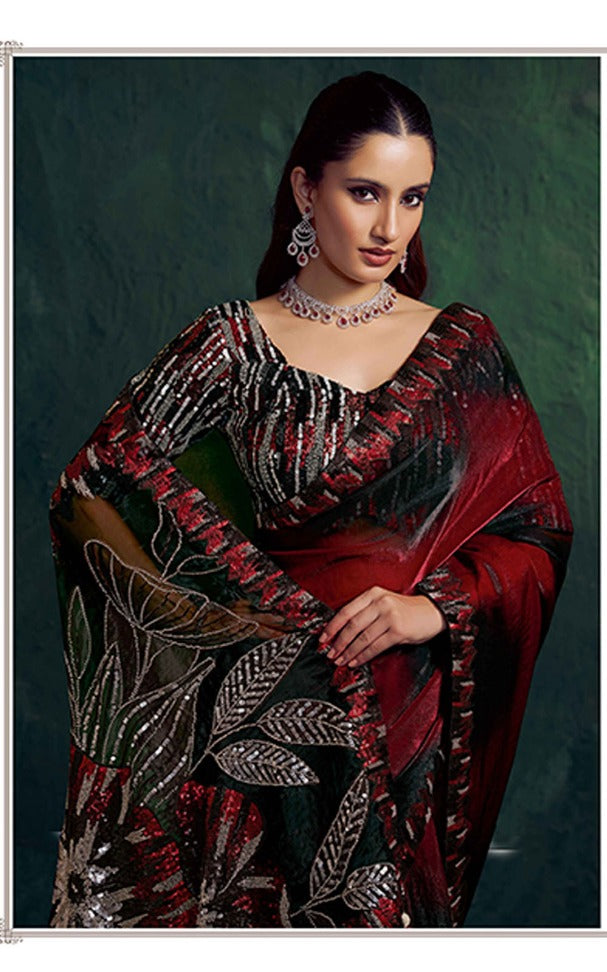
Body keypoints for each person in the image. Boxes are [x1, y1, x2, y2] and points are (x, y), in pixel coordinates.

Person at [48, 71, 572, 929]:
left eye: (412, 198)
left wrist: (430, 611)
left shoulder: (463, 350)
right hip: (267, 741)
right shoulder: (230, 346)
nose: (388, 227)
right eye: (363, 192)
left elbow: (535, 533)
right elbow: (95, 490)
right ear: (304, 188)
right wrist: (255, 642)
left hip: (406, 730)